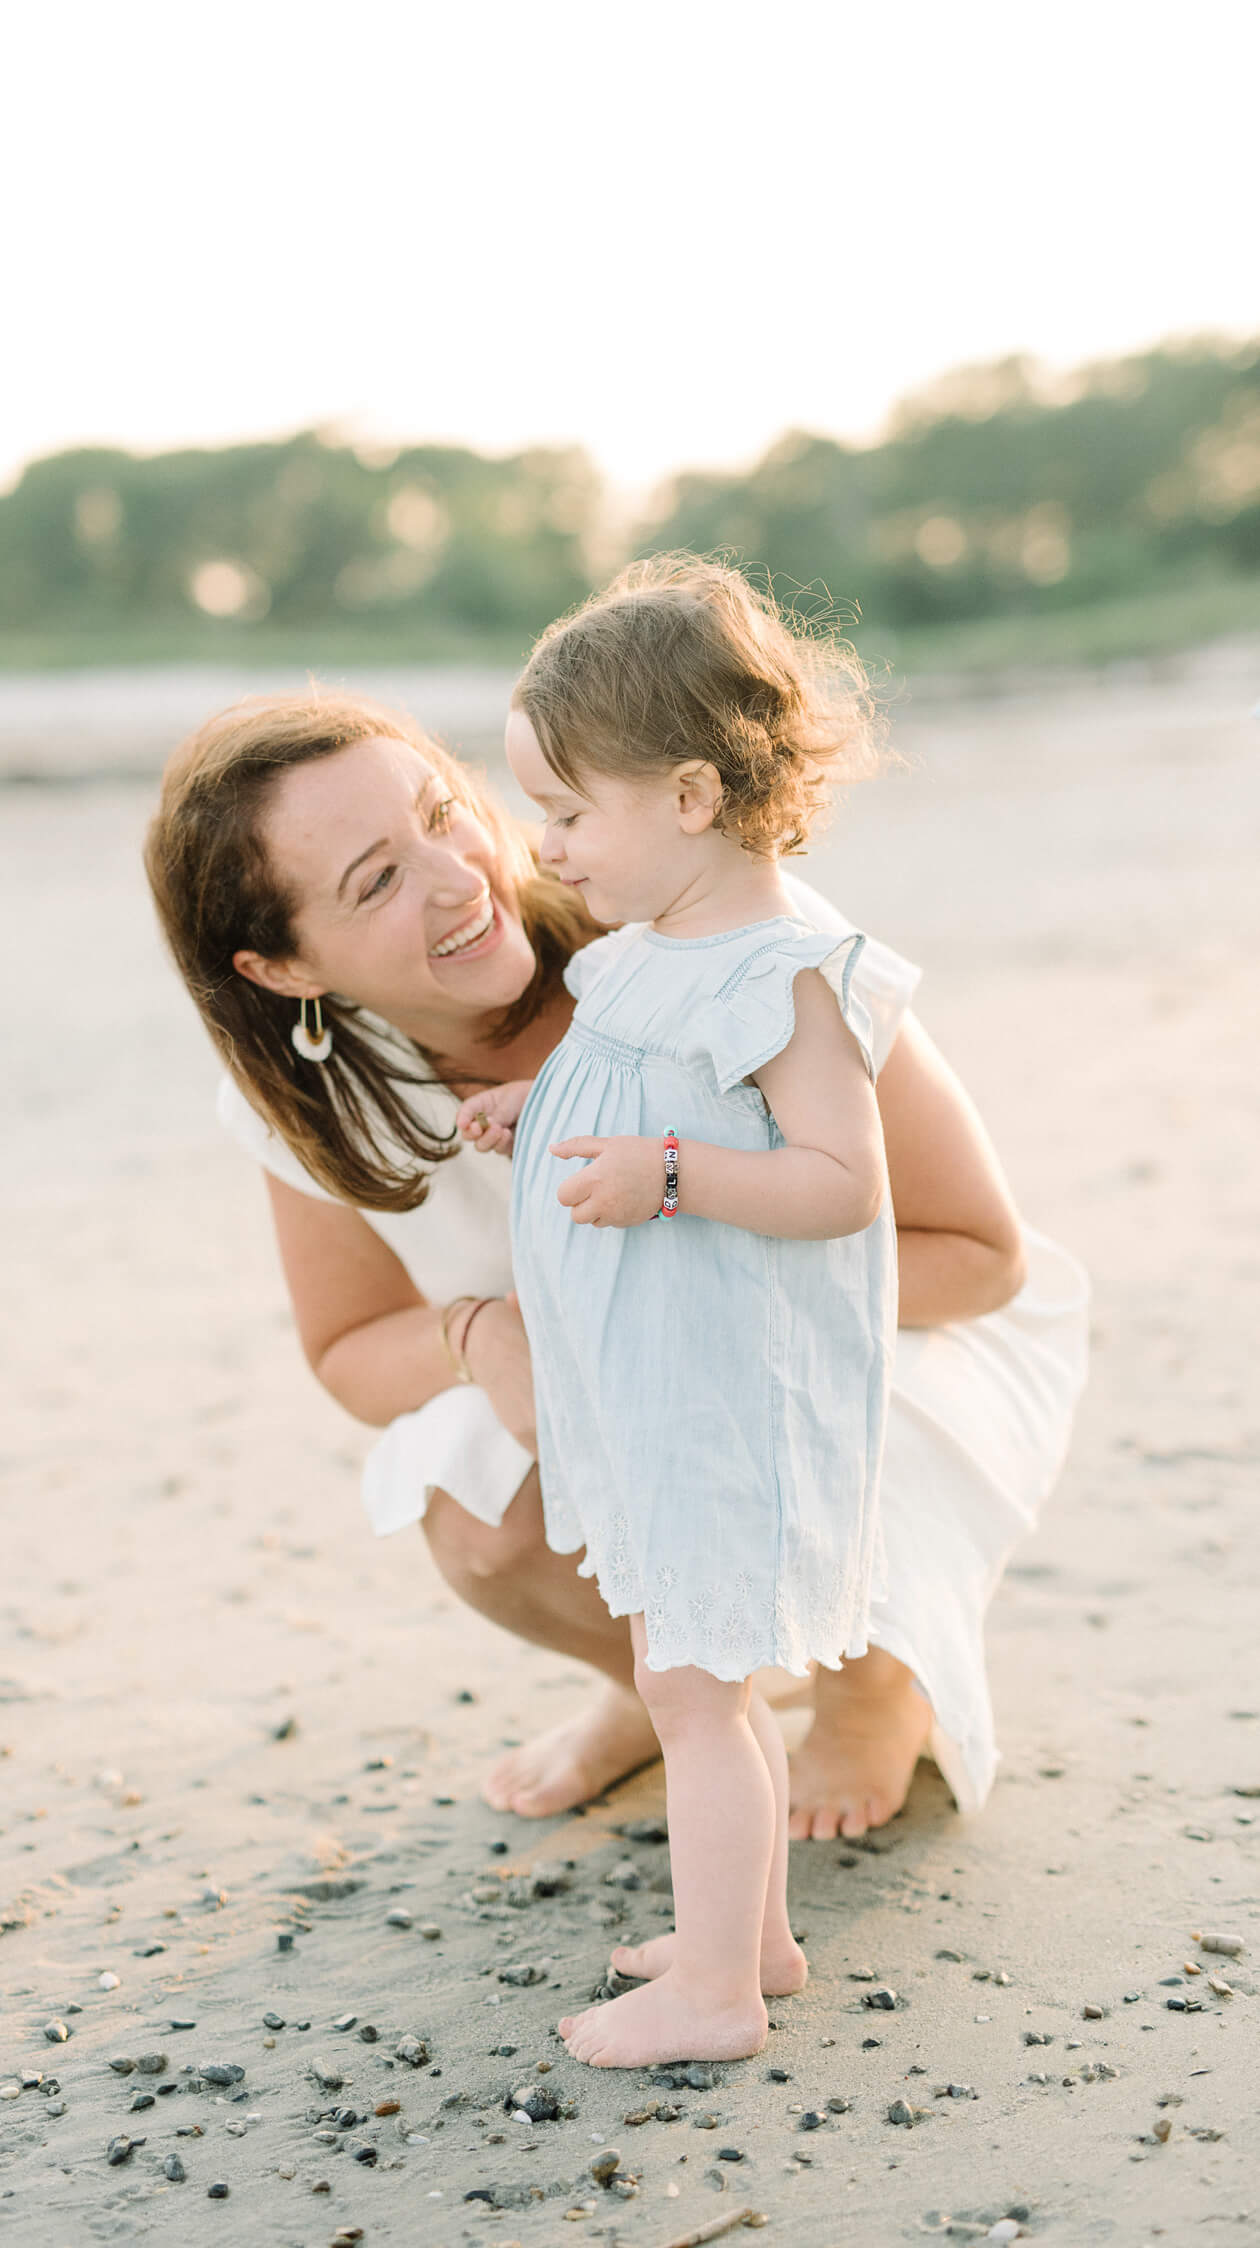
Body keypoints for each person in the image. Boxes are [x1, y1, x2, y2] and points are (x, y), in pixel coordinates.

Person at [143, 596, 1087, 1851]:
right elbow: (352, 1349)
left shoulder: (719, 935)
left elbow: (983, 1257)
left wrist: (692, 1262)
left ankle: (875, 1678)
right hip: (639, 1378)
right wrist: (483, 1335)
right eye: (377, 882)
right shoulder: (308, 1104)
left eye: (440, 812)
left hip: (870, 1343)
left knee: (731, 1396)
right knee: (475, 1512)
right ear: (285, 969)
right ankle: (679, 1689)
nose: (460, 878)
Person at [445, 557, 897, 2064]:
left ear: (693, 795)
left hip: (724, 1396)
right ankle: (748, 1936)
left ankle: (710, 1997)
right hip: (650, 1386)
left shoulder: (783, 974)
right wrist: (540, 1107)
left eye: (570, 814)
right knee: (685, 1672)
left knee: (699, 1693)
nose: (544, 845)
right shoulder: (650, 959)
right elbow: (632, 1093)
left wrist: (675, 1174)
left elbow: (839, 1178)